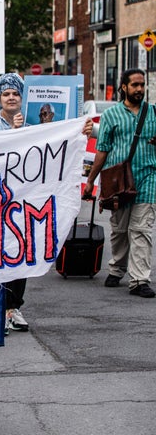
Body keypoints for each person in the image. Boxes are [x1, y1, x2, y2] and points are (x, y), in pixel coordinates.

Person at [83, 68, 156, 298]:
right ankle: (117, 268)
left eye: (142, 85)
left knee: (141, 229)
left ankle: (139, 279)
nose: (140, 89)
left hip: (147, 178)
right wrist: (90, 182)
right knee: (120, 229)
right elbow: (102, 151)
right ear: (124, 86)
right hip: (118, 182)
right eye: (135, 85)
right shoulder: (111, 116)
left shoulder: (153, 113)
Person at [0, 73, 29, 332]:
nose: (11, 97)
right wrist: (14, 132)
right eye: (6, 94)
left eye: (16, 94)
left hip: (24, 198)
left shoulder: (34, 121)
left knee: (21, 252)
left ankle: (13, 308)